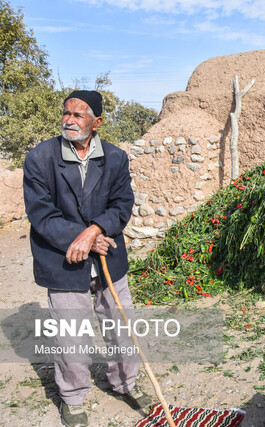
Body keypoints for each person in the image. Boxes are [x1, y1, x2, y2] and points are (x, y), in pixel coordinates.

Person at [23, 90, 152, 426]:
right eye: (66, 113)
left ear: (97, 122)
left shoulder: (115, 157)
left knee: (121, 327)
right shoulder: (41, 157)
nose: (69, 120)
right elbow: (41, 214)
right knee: (70, 335)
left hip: (109, 257)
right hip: (62, 261)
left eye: (79, 115)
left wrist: (94, 231)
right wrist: (80, 239)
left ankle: (125, 383)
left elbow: (122, 205)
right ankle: (73, 397)